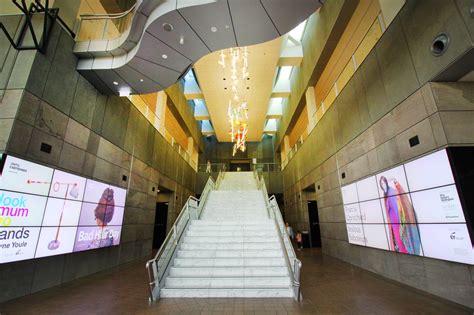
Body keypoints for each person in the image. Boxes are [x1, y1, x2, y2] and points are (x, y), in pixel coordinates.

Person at [379, 176, 421, 255]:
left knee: (401, 241)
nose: (383, 184)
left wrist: (402, 223)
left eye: (384, 182)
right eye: (381, 183)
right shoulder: (385, 194)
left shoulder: (391, 192)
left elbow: (398, 206)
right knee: (398, 242)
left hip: (398, 222)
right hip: (393, 223)